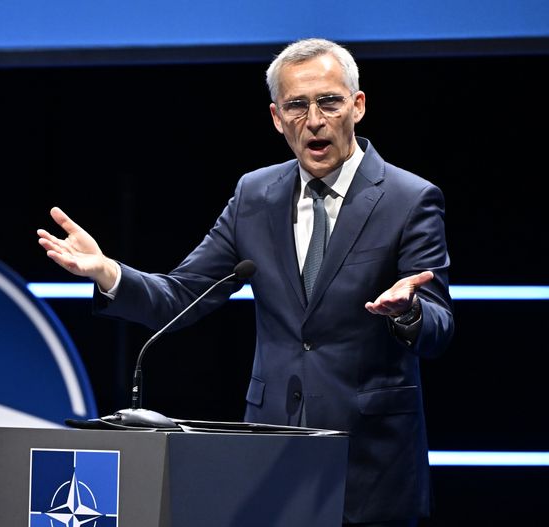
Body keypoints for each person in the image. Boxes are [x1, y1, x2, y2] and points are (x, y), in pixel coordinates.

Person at [37, 38, 454, 526]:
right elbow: (182, 295)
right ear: (277, 117)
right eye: (297, 106)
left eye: (329, 102)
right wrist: (108, 271)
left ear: (357, 106)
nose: (314, 120)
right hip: (269, 458)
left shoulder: (409, 198)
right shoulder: (255, 195)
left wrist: (408, 312)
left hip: (369, 465)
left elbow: (439, 325)